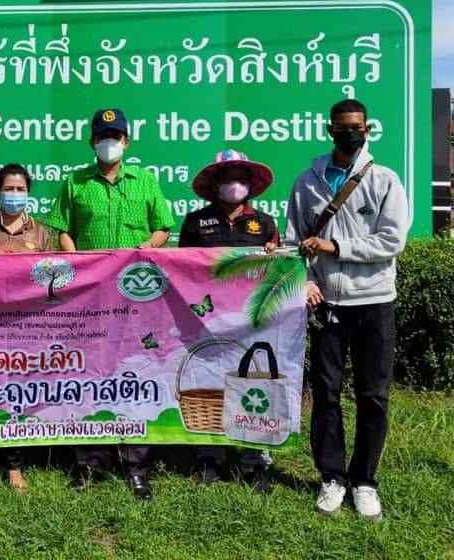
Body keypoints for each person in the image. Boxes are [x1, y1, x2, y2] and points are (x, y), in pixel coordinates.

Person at [283, 99, 407, 521]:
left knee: (373, 395)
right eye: (343, 127)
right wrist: (307, 282)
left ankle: (365, 481)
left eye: (358, 127)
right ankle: (332, 478)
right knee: (326, 393)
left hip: (374, 301)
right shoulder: (307, 182)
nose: (351, 133)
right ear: (330, 129)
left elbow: (391, 241)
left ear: (367, 129)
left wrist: (336, 246)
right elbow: (294, 241)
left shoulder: (384, 180)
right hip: (327, 305)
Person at [46, 108, 173, 499]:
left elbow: (163, 227)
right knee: (90, 375)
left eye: (115, 136)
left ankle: (136, 466)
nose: (109, 143)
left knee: (136, 373)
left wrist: (146, 246)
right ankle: (90, 464)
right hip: (92, 298)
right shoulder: (75, 182)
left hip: (136, 297)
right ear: (92, 142)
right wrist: (79, 263)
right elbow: (61, 229)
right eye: (103, 136)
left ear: (126, 141)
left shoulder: (145, 181)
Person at [179, 150, 278, 494]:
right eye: (227, 178)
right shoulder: (195, 222)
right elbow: (182, 269)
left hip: (253, 319)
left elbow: (278, 271)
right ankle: (210, 456)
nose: (234, 184)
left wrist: (274, 256)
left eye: (240, 177)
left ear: (250, 184)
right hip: (208, 319)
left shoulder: (265, 224)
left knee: (256, 383)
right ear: (215, 184)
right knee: (209, 382)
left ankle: (256, 460)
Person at [0, 164, 54, 495]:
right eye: (9, 189)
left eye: (20, 189)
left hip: (26, 327)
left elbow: (52, 278)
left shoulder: (40, 233)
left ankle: (15, 466)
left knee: (18, 394)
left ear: (28, 193)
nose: (14, 195)